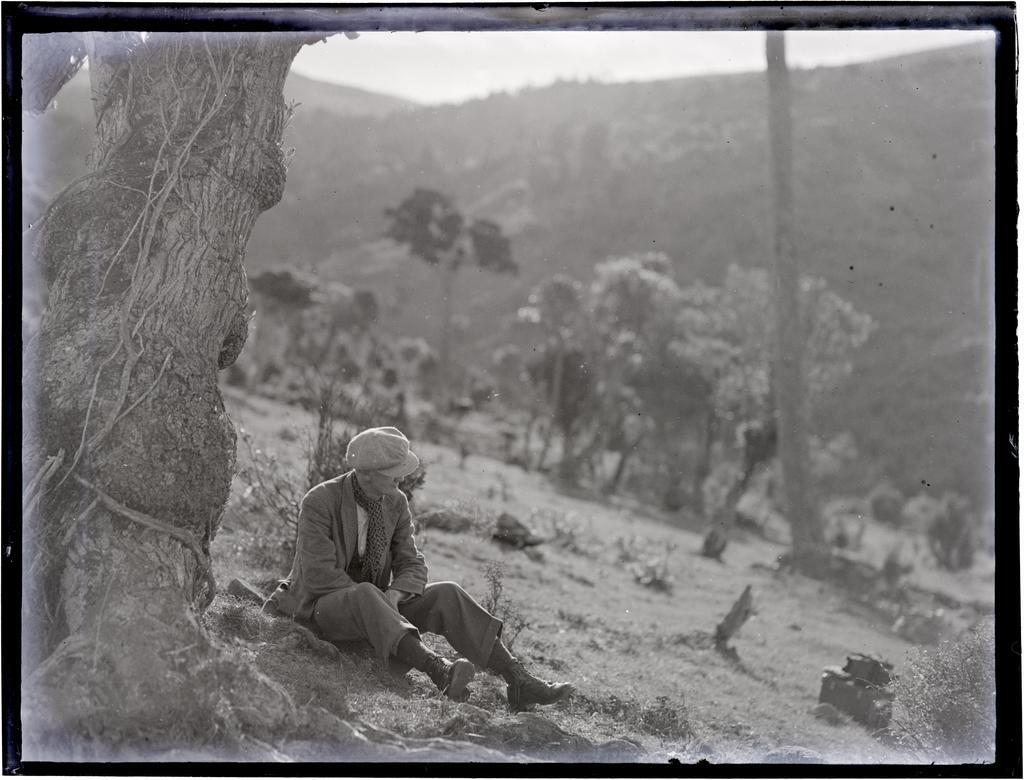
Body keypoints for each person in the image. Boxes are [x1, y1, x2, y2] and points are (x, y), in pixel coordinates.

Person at [264, 426, 574, 710]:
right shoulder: (319, 501)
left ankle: (518, 680)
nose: (401, 480)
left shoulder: (394, 502)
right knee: (365, 594)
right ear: (368, 473)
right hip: (322, 610)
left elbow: (412, 562)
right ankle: (439, 670)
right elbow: (320, 576)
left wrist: (395, 597)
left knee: (448, 594)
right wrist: (375, 599)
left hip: (379, 607)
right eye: (394, 474)